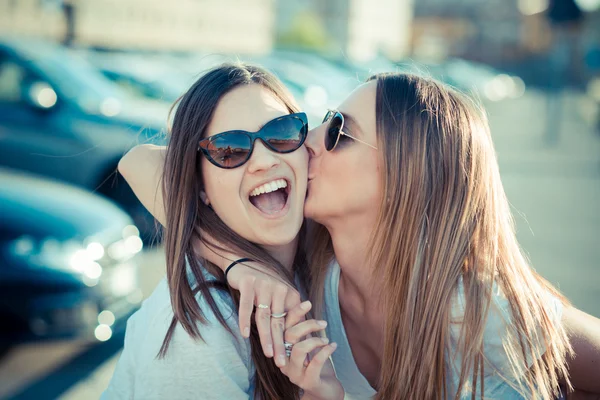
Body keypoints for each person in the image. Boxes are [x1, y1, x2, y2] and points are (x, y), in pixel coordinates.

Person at [121, 71, 600, 399]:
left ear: (405, 175)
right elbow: (143, 163)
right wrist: (237, 261)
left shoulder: (473, 308)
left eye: (339, 133)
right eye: (321, 120)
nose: (308, 141)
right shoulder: (307, 259)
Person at [102, 63, 341, 400]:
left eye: (282, 132)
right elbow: (135, 160)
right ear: (200, 187)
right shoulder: (203, 328)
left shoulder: (326, 256)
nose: (263, 160)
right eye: (229, 151)